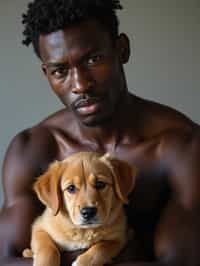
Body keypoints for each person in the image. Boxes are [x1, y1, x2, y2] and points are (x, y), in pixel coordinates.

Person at [0, 0, 200, 265]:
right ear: (47, 74)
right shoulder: (31, 148)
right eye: (61, 71)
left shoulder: (182, 146)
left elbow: (182, 261)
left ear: (122, 50)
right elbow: (5, 258)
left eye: (94, 59)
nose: (81, 85)